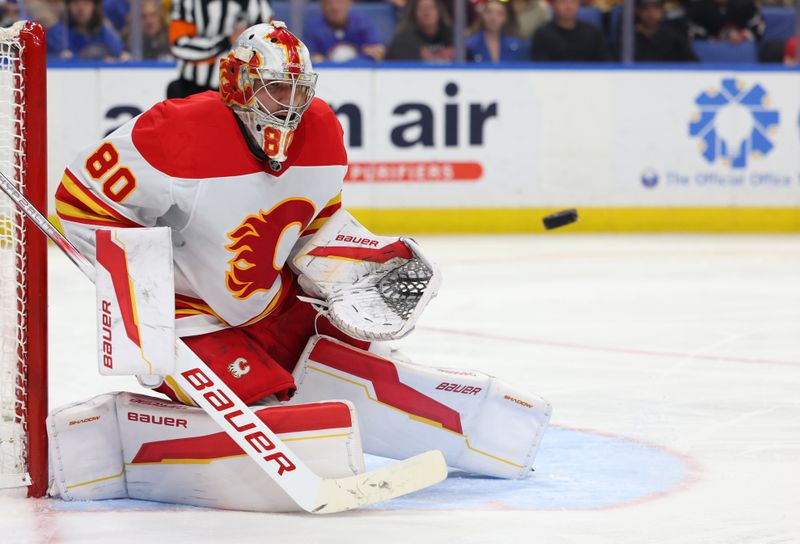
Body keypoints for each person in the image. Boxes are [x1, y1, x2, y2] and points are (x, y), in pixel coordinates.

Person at [49, 21, 550, 512]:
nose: (288, 107)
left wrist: (359, 259)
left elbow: (314, 224)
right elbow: (78, 201)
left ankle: (480, 431)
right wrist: (141, 292)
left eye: (297, 91)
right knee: (261, 398)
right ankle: (121, 443)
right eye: (273, 91)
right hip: (186, 313)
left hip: (268, 300)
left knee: (364, 354)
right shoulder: (177, 131)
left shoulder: (324, 131)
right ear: (238, 85)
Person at [167, 0, 272, 98]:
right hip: (192, 88)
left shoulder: (257, 3)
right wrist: (225, 42)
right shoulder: (189, 2)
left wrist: (247, 39)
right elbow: (179, 45)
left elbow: (270, 40)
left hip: (240, 91)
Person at [303, 0, 386, 62]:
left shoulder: (361, 22)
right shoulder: (314, 27)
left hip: (361, 73)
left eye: (339, 2)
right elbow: (309, 58)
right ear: (322, 6)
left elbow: (378, 51)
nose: (335, 8)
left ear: (349, 3)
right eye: (329, 4)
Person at [46, 0, 127, 60]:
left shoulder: (103, 31)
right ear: (68, 6)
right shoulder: (57, 34)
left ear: (94, 7)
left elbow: (119, 53)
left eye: (86, 3)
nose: (81, 9)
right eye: (75, 3)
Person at [531, 0, 608, 61]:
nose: (568, 6)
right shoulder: (542, 35)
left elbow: (606, 65)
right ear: (554, 5)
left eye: (573, 1)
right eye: (563, 2)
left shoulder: (593, 33)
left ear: (579, 5)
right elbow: (541, 69)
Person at [386, 0, 454, 61]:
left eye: (430, 7)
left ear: (439, 11)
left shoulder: (453, 37)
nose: (426, 12)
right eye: (421, 8)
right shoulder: (403, 41)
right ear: (414, 12)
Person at [686, 0, 764, 42]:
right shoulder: (698, 8)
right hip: (708, 56)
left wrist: (743, 35)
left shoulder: (746, 5)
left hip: (740, 54)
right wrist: (709, 39)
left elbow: (758, 26)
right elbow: (692, 28)